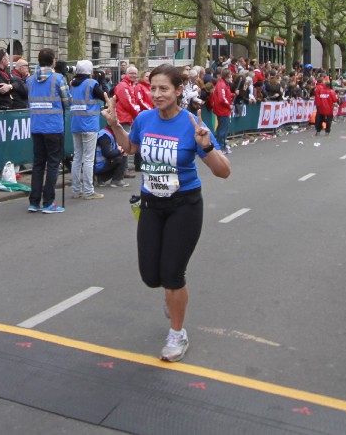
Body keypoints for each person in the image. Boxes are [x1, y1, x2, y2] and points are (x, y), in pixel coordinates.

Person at [102, 64, 231, 362]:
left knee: (173, 273)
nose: (157, 94)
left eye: (164, 89)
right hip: (151, 204)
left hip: (184, 206)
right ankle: (172, 297)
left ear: (178, 90)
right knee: (150, 276)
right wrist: (116, 125)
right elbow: (130, 148)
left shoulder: (191, 123)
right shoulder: (144, 119)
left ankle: (177, 333)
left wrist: (206, 146)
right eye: (153, 89)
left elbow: (224, 171)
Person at [26, 47, 71, 213]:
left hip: (36, 125)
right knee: (53, 164)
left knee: (38, 164)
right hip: (53, 127)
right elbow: (67, 102)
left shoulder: (30, 80)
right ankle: (48, 202)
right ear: (53, 61)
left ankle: (34, 202)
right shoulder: (58, 79)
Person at [69, 59, 108, 201]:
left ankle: (76, 189)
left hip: (76, 123)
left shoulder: (72, 84)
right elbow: (105, 96)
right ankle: (88, 191)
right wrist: (103, 81)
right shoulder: (92, 83)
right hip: (89, 123)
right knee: (88, 159)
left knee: (77, 158)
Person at [208, 72, 234, 154]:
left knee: (224, 129)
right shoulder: (222, 85)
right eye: (230, 76)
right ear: (227, 76)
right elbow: (222, 98)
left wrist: (233, 95)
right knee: (222, 129)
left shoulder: (224, 84)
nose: (231, 77)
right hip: (222, 110)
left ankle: (223, 145)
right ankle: (219, 146)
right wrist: (229, 105)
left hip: (224, 110)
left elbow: (226, 95)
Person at [113, 66, 142, 133]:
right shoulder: (123, 86)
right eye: (131, 73)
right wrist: (138, 114)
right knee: (125, 138)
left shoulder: (130, 85)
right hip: (123, 118)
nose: (133, 75)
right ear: (126, 74)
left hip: (128, 118)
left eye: (135, 73)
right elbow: (127, 103)